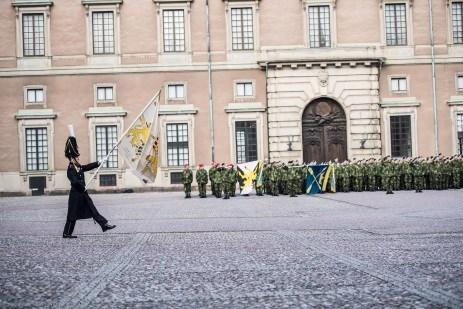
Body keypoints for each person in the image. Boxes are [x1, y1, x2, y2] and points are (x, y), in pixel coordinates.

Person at [63, 125, 115, 238]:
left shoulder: (78, 167)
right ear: (73, 159)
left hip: (82, 194)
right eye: (77, 158)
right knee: (72, 216)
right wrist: (82, 187)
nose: (79, 159)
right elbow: (74, 182)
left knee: (92, 209)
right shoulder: (71, 169)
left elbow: (86, 167)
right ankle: (66, 233)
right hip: (76, 195)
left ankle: (104, 225)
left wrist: (99, 162)